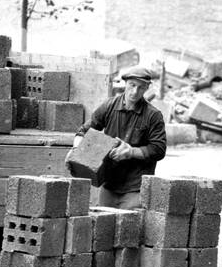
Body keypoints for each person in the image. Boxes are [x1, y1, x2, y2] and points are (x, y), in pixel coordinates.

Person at [71, 65, 167, 209]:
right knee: (103, 226)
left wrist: (131, 152)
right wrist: (75, 150)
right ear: (125, 83)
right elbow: (83, 132)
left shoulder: (153, 115)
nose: (135, 92)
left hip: (135, 187)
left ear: (147, 88)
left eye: (140, 87)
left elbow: (159, 149)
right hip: (109, 183)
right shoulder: (109, 106)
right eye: (132, 85)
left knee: (128, 227)